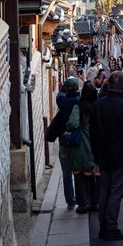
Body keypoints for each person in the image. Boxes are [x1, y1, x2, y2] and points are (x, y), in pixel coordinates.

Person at [90, 71, 123, 241]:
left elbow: (92, 131)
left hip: (102, 156)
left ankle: (103, 227)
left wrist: (95, 153)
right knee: (115, 192)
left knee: (104, 191)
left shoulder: (98, 104)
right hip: (121, 157)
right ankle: (111, 227)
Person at [67, 83, 100, 213]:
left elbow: (72, 123)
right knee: (94, 174)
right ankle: (95, 202)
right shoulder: (98, 107)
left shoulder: (78, 107)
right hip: (96, 144)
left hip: (81, 144)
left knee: (80, 175)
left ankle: (83, 204)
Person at [56, 77, 81, 209]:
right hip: (76, 139)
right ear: (77, 89)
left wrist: (64, 87)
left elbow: (60, 94)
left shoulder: (61, 101)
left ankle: (70, 201)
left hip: (64, 139)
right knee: (78, 170)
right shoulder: (78, 101)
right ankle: (81, 198)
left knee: (66, 172)